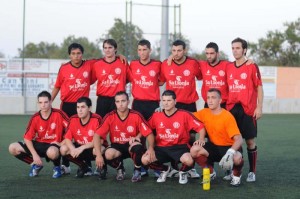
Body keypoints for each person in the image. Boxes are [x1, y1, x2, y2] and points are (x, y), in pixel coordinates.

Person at [141, 90, 206, 184]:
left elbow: (201, 127)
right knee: (145, 159)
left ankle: (183, 172)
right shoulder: (156, 115)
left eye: (169, 100)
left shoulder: (184, 114)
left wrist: (201, 138)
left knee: (189, 160)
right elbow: (145, 128)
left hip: (180, 147)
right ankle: (165, 170)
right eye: (164, 101)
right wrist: (149, 147)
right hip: (161, 148)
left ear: (175, 101)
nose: (166, 103)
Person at [51, 43, 97, 174]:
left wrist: (119, 55)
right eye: (73, 54)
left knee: (85, 134)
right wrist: (49, 101)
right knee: (66, 135)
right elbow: (57, 86)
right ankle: (65, 165)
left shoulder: (89, 65)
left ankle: (86, 165)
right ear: (69, 55)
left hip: (82, 106)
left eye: (78, 53)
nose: (76, 56)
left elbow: (106, 59)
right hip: (67, 106)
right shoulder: (64, 68)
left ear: (82, 54)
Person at [160, 39, 201, 178]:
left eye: (179, 50)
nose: (176, 53)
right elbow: (160, 81)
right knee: (173, 135)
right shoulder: (166, 64)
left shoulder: (193, 63)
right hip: (173, 105)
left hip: (189, 104)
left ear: (184, 50)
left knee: (191, 136)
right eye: (173, 51)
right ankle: (173, 167)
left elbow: (202, 76)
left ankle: (191, 167)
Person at [226, 37, 264, 182]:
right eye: (233, 48)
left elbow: (259, 87)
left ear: (244, 50)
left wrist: (259, 106)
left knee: (249, 142)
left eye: (238, 48)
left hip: (248, 109)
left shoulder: (252, 66)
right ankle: (232, 170)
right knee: (232, 141)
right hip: (231, 109)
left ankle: (252, 172)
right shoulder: (228, 66)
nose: (235, 51)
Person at [93, 91, 152, 182]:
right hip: (117, 146)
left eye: (123, 101)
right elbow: (97, 135)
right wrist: (98, 155)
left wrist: (150, 148)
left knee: (137, 147)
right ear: (115, 103)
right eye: (118, 101)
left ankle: (137, 170)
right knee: (107, 154)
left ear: (128, 101)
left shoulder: (136, 115)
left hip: (131, 144)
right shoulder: (110, 116)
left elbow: (149, 133)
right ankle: (120, 169)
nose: (121, 104)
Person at [8, 91, 69, 178]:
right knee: (12, 148)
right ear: (38, 103)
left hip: (53, 145)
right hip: (39, 144)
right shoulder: (35, 117)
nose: (43, 105)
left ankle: (57, 167)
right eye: (40, 102)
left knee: (52, 152)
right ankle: (36, 165)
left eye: (45, 102)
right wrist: (34, 155)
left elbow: (71, 130)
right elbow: (27, 138)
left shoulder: (59, 114)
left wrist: (61, 143)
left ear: (51, 102)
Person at [190, 88, 244, 186]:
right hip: (214, 147)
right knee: (194, 150)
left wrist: (230, 152)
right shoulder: (204, 112)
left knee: (237, 158)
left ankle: (236, 175)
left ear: (220, 100)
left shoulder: (227, 116)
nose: (210, 100)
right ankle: (211, 173)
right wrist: (165, 110)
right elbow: (186, 116)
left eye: (213, 98)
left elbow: (239, 138)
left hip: (229, 147)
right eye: (208, 98)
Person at [128, 39, 161, 177]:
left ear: (150, 50)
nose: (142, 52)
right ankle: (141, 166)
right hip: (138, 104)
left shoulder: (157, 64)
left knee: (155, 135)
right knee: (139, 137)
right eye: (140, 50)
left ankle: (157, 165)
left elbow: (163, 80)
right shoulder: (133, 65)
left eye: (145, 49)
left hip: (153, 104)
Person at [60, 97, 105, 178]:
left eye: (83, 107)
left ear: (89, 108)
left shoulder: (97, 119)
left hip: (93, 148)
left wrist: (82, 148)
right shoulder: (73, 119)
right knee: (64, 149)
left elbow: (100, 141)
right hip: (80, 148)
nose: (80, 110)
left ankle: (101, 167)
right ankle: (84, 167)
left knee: (99, 149)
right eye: (78, 107)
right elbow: (67, 138)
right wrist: (73, 149)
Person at [92, 39, 129, 118]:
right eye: (105, 48)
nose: (107, 50)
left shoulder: (123, 63)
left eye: (110, 47)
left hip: (118, 99)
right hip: (102, 100)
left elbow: (128, 78)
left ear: (115, 49)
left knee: (118, 124)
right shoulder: (97, 64)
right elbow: (91, 79)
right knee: (101, 123)